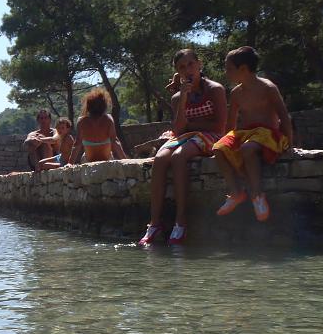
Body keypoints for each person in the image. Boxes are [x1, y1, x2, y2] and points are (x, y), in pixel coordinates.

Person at [138, 49, 228, 246]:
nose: (188, 70)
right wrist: (184, 98)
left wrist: (193, 125)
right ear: (178, 73)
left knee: (179, 157)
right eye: (182, 67)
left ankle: (181, 221)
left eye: (190, 65)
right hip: (187, 136)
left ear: (199, 65)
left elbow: (220, 126)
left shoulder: (215, 90)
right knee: (161, 158)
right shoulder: (178, 98)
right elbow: (179, 129)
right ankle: (154, 223)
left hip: (211, 136)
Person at [212, 46, 294, 222]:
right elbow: (231, 123)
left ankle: (257, 196)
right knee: (218, 148)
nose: (226, 73)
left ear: (243, 69)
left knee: (248, 149)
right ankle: (236, 193)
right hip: (247, 133)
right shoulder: (236, 93)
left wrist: (290, 144)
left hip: (268, 133)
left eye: (229, 69)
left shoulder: (268, 87)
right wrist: (227, 145)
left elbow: (283, 116)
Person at [68, 90, 127, 164]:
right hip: (107, 160)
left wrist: (70, 163)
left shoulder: (82, 121)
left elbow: (77, 144)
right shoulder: (108, 119)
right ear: (104, 105)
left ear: (88, 106)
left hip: (88, 161)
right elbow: (115, 142)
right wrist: (125, 160)